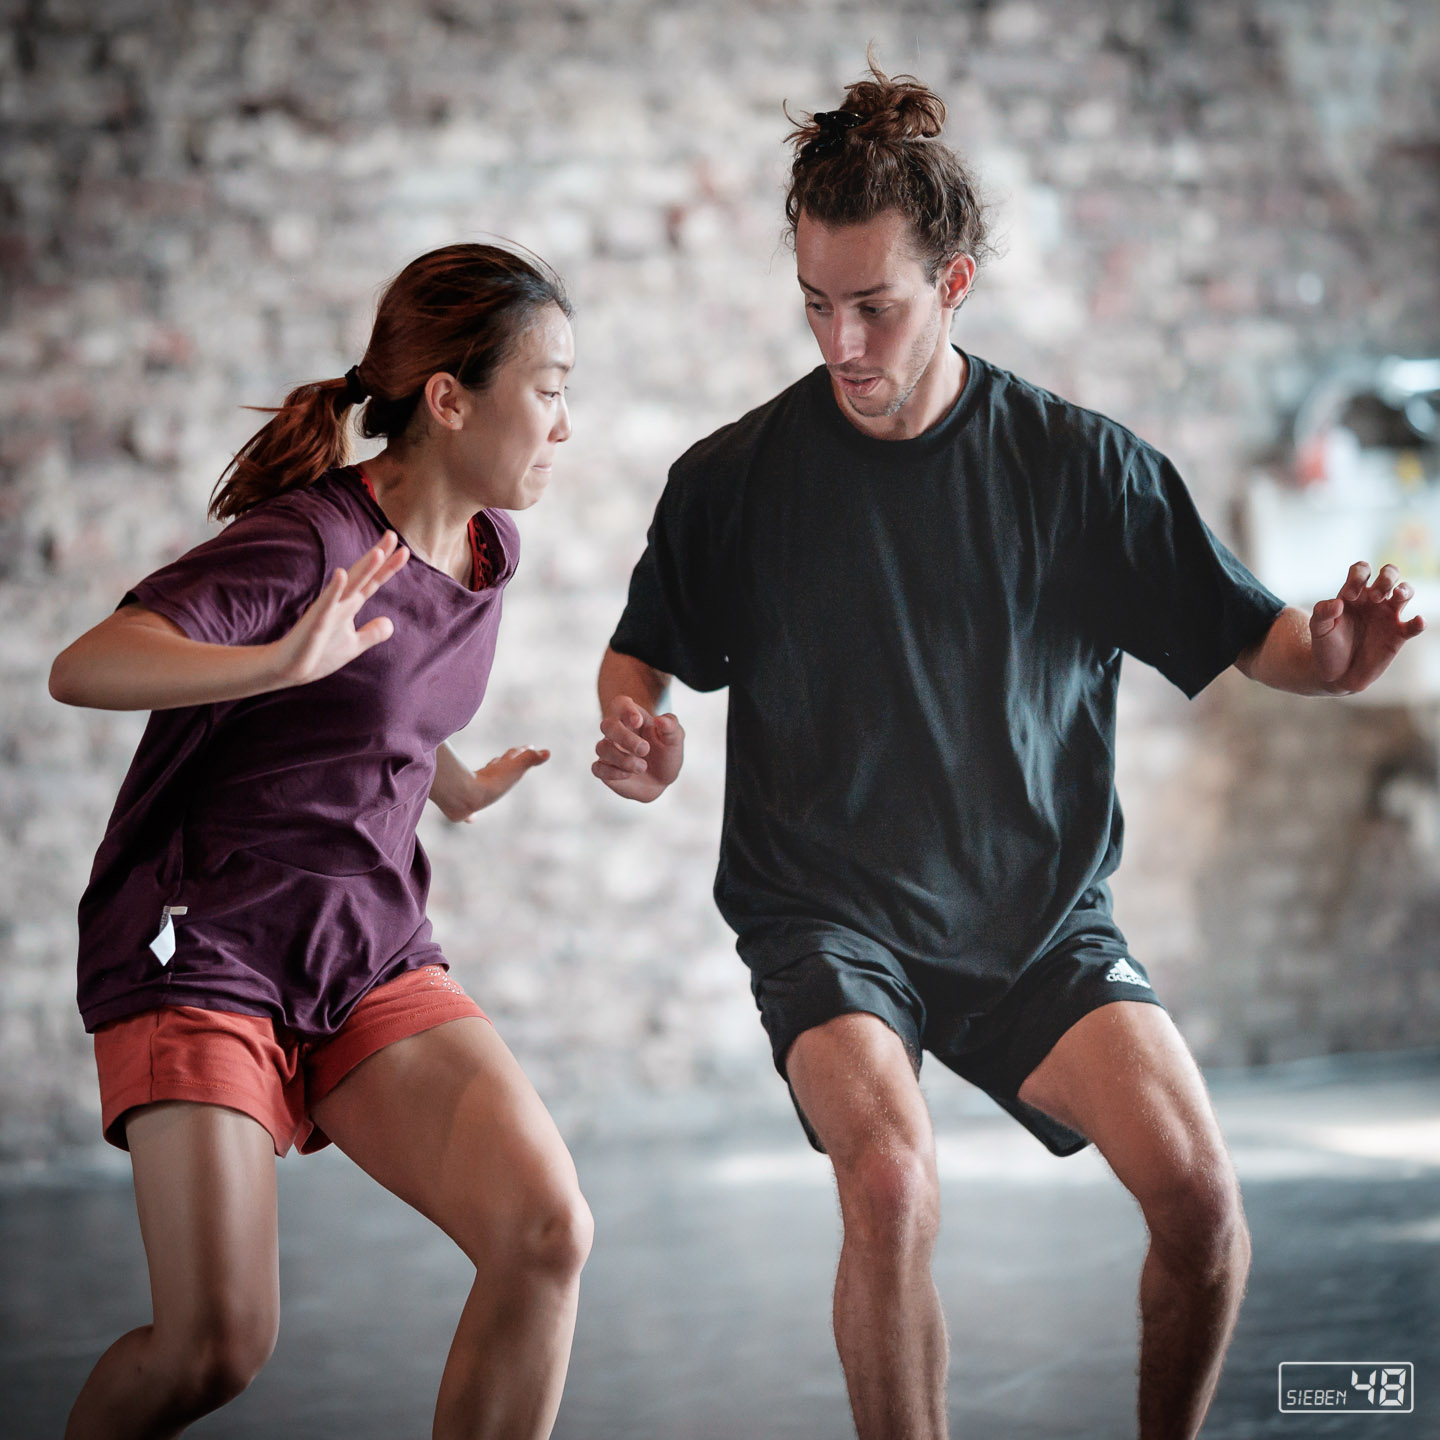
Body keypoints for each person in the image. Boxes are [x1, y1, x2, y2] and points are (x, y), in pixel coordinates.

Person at [591, 64, 1424, 1440]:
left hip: (1036, 917)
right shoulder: (732, 482)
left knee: (1203, 1208)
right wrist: (638, 731)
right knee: (890, 1184)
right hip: (828, 912)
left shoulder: (1082, 470)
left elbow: (1258, 634)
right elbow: (643, 653)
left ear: (955, 284)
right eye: (814, 304)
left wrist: (1332, 661)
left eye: (875, 306)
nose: (841, 342)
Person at [50, 242, 590, 1440]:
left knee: (545, 1231)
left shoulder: (487, 550)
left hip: (365, 945)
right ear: (450, 398)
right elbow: (84, 666)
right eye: (548, 389)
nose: (564, 424)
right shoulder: (310, 543)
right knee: (213, 1348)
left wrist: (451, 783)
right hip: (203, 950)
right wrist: (271, 663)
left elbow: (379, 696)